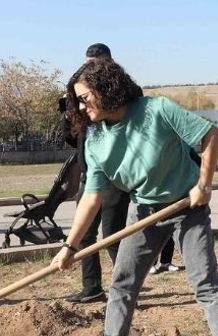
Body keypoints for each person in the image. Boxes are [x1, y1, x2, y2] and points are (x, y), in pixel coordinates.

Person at [52, 59, 218, 336]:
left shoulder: (157, 110)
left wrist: (204, 184)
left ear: (106, 89)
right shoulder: (96, 140)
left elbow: (209, 134)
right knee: (123, 280)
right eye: (77, 101)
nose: (81, 107)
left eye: (85, 98)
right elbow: (92, 197)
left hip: (187, 207)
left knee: (204, 281)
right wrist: (70, 246)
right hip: (144, 211)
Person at [64, 42, 131, 303]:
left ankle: (126, 288)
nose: (88, 71)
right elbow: (73, 138)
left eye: (94, 65)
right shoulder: (84, 98)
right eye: (86, 65)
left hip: (115, 177)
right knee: (85, 234)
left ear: (108, 63)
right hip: (89, 173)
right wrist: (69, 114)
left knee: (113, 236)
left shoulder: (123, 93)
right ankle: (91, 287)